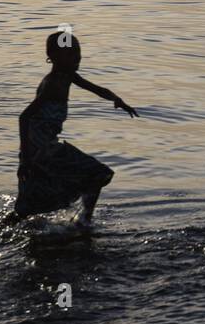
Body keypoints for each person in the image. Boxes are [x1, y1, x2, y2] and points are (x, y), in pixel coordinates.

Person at [11, 31, 138, 226]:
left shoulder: (67, 76)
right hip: (41, 149)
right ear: (52, 56)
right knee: (97, 174)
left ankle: (82, 221)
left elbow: (97, 89)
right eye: (71, 54)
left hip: (46, 147)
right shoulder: (53, 83)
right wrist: (26, 160)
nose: (78, 57)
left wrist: (118, 100)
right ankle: (84, 222)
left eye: (78, 52)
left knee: (27, 207)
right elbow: (24, 117)